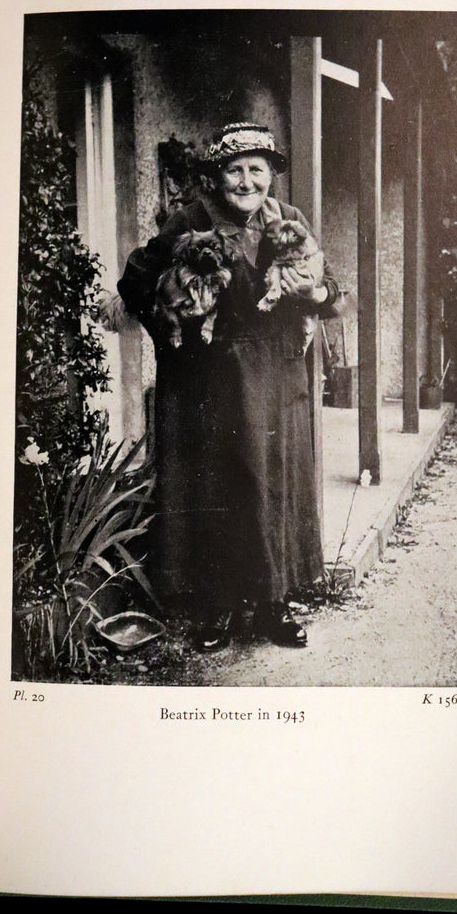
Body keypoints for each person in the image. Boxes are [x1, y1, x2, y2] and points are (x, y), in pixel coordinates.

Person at [118, 123, 343, 652]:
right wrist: (178, 311)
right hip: (211, 380)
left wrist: (314, 291)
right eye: (234, 170)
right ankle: (215, 607)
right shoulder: (190, 220)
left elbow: (332, 289)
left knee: (274, 485)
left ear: (271, 177)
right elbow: (136, 283)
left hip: (279, 378)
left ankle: (274, 604)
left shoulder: (289, 221)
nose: (245, 181)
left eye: (256, 171)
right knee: (217, 487)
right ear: (218, 177)